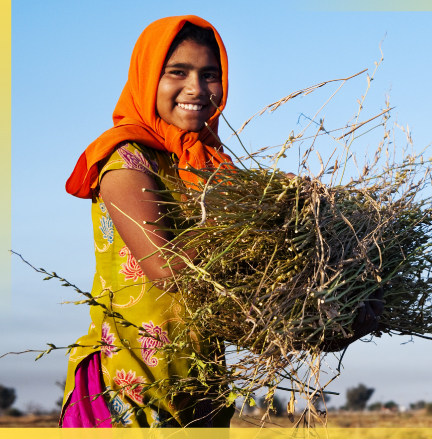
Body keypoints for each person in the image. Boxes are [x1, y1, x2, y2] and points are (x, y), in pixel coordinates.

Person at [60, 15, 383, 428]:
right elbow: (166, 268)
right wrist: (260, 213)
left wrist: (334, 316)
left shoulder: (211, 174)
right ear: (147, 78)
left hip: (201, 398)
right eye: (177, 72)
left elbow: (242, 312)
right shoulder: (125, 160)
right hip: (127, 392)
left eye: (209, 75)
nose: (196, 88)